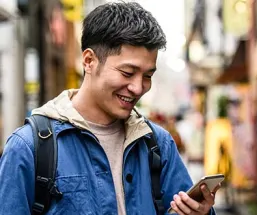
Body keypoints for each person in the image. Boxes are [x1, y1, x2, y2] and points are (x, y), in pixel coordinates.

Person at [0, 2, 218, 215]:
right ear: (89, 61)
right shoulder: (29, 148)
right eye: (127, 72)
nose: (138, 87)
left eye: (148, 76)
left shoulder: (158, 144)